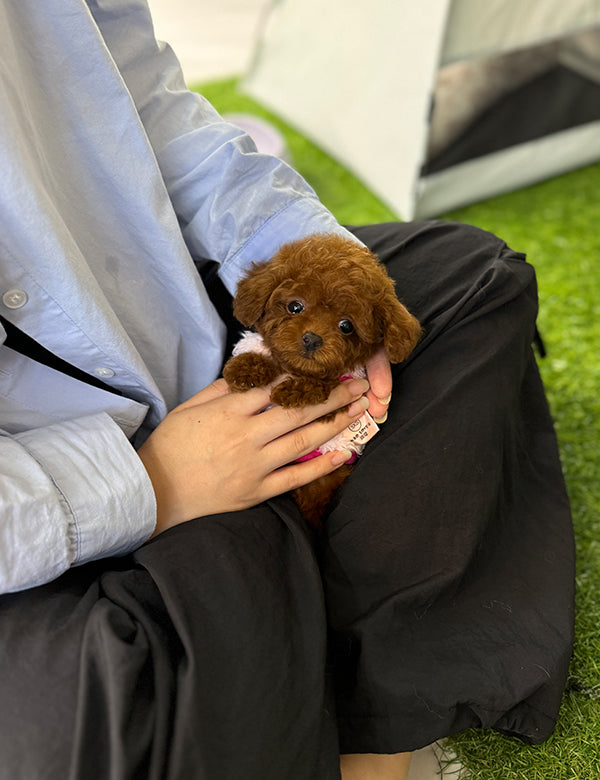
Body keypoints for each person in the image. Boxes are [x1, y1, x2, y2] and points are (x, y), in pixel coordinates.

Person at [0, 2, 574, 779]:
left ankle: (371, 737)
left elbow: (149, 108)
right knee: (92, 689)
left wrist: (324, 274)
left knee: (473, 279)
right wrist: (150, 484)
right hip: (47, 511)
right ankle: (335, 606)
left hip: (198, 343)